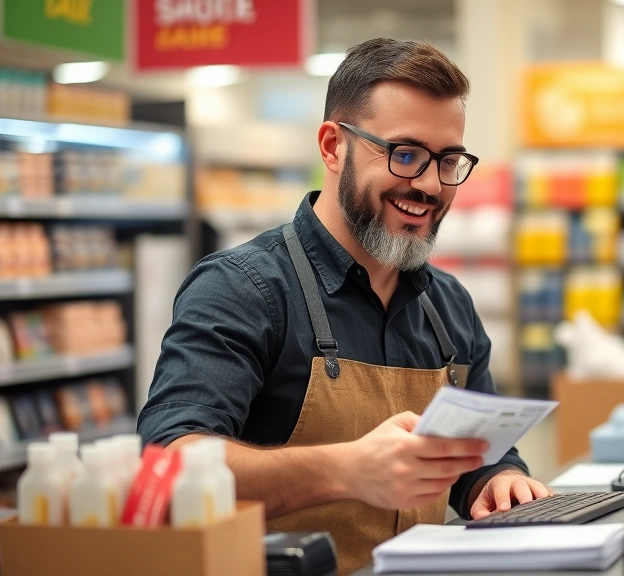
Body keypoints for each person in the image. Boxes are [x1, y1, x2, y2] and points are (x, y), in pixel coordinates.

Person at [138, 38, 550, 574]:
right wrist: (343, 469)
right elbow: (169, 459)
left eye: (448, 160)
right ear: (333, 147)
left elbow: (482, 454)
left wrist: (498, 479)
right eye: (405, 155)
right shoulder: (244, 289)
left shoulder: (448, 307)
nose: (428, 184)